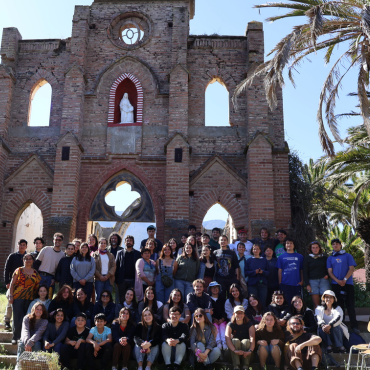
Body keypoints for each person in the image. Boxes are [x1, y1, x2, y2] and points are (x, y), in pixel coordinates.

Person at [327, 238, 359, 333]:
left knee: (350, 306)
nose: (335, 245)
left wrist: (344, 279)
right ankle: (341, 326)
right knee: (339, 306)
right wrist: (337, 281)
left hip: (348, 284)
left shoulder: (348, 256)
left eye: (337, 244)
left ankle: (354, 327)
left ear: (341, 245)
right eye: (333, 244)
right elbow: (329, 271)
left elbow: (351, 268)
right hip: (335, 285)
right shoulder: (330, 258)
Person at [9, 253, 41, 344]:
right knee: (17, 318)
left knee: (26, 318)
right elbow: (12, 284)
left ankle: (24, 337)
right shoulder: (18, 270)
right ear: (23, 260)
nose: (28, 260)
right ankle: (15, 337)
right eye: (26, 259)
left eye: (30, 258)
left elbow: (37, 287)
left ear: (33, 261)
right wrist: (11, 296)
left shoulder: (35, 273)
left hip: (30, 299)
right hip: (18, 297)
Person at [3, 238, 28, 330]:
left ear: (26, 247)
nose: (22, 246)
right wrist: (7, 282)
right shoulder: (12, 256)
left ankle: (17, 322)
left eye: (24, 245)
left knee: (20, 304)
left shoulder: (28, 257)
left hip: (24, 285)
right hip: (13, 284)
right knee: (10, 301)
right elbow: (6, 269)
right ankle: (6, 321)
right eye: (20, 245)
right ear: (18, 246)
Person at [225, 305, 255, 370]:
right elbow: (227, 339)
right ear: (234, 314)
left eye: (241, 313)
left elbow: (252, 338)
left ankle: (245, 367)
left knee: (246, 341)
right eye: (237, 313)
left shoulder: (249, 324)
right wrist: (235, 351)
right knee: (235, 340)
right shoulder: (230, 324)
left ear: (244, 314)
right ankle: (236, 366)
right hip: (233, 353)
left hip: (246, 352)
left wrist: (250, 350)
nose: (239, 315)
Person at [304, 241, 330, 309]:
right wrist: (307, 284)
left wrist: (328, 275)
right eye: (313, 248)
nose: (315, 249)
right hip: (312, 282)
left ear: (319, 248)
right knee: (316, 304)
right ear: (311, 249)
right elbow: (305, 272)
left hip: (323, 281)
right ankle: (317, 319)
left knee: (325, 302)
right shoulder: (307, 259)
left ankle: (326, 318)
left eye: (316, 247)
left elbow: (329, 269)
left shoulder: (324, 258)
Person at [115, 235, 141, 304]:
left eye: (130, 241)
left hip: (133, 280)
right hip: (122, 280)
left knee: (132, 299)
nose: (129, 242)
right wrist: (117, 280)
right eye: (127, 241)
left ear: (133, 243)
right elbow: (116, 267)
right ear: (124, 242)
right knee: (122, 298)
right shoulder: (119, 253)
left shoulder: (138, 254)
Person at [277, 237, 304, 304]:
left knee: (297, 302)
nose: (289, 245)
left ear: (294, 245)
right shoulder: (281, 257)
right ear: (285, 245)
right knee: (286, 302)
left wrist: (302, 281)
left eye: (291, 243)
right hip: (285, 284)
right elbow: (279, 270)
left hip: (296, 283)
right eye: (287, 243)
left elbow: (302, 270)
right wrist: (280, 282)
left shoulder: (300, 256)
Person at [214, 235, 240, 300]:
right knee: (221, 297)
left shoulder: (232, 252)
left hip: (231, 278)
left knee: (231, 296)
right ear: (218, 241)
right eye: (221, 240)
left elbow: (236, 266)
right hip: (220, 278)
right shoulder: (215, 252)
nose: (223, 241)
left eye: (225, 240)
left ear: (227, 242)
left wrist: (237, 278)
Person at [208, 282, 227, 350]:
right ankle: (218, 343)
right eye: (213, 288)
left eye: (216, 287)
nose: (215, 289)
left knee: (222, 327)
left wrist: (222, 318)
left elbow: (225, 310)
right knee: (215, 327)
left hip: (222, 320)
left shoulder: (223, 299)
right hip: (213, 321)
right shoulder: (208, 299)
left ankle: (224, 343)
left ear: (219, 289)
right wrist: (213, 319)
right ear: (210, 289)